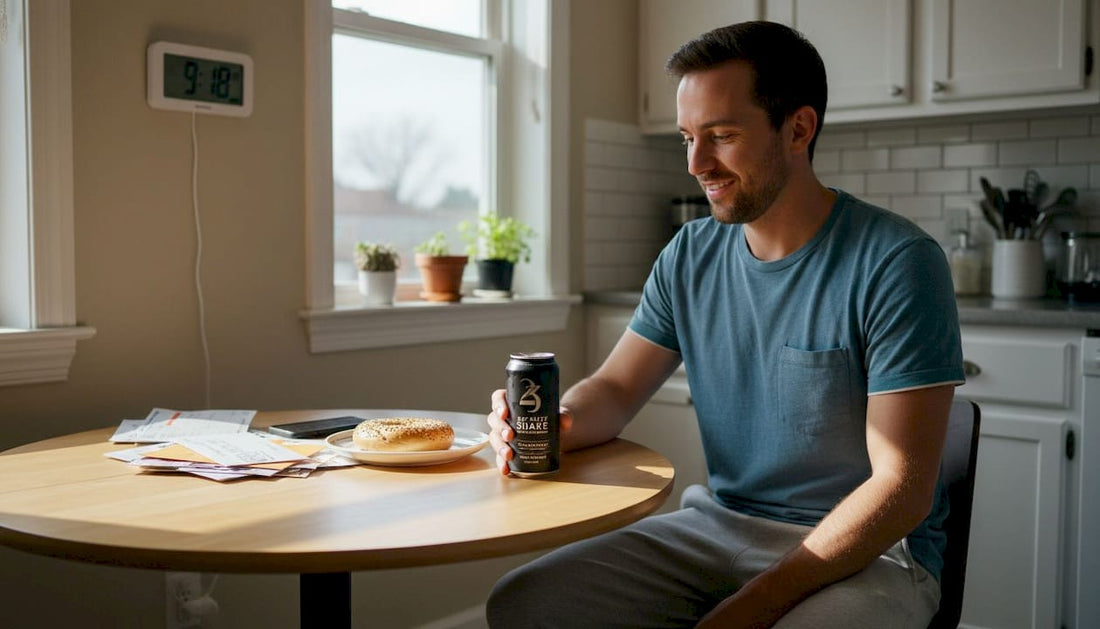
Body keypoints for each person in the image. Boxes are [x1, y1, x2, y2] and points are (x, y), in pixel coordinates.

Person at [485, 20, 964, 629]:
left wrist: (748, 609)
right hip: (718, 527)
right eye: (687, 137)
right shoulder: (689, 254)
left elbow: (902, 489)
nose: (696, 163)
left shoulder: (897, 263)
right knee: (524, 602)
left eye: (721, 135)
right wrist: (555, 424)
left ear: (798, 129)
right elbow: (613, 390)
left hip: (868, 554)